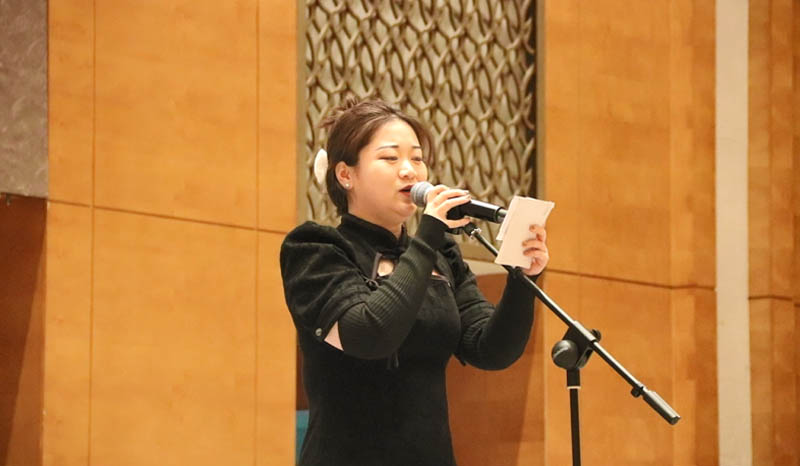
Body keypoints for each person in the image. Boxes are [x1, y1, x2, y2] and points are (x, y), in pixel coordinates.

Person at [280, 97, 549, 466]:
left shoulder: (441, 254)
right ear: (346, 175)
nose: (409, 171)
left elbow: (492, 349)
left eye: (417, 158)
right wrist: (429, 234)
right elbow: (370, 333)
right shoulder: (316, 249)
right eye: (390, 158)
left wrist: (522, 278)